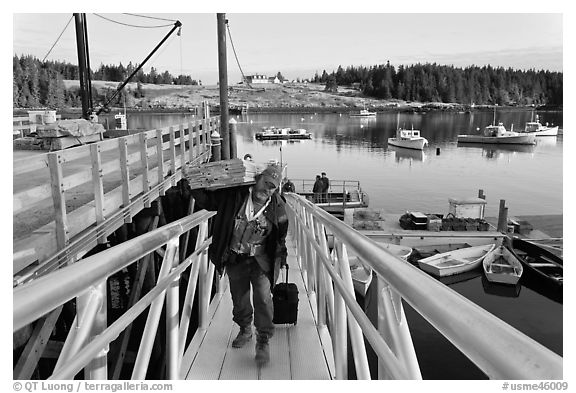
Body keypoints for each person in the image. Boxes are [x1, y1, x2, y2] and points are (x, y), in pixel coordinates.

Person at [190, 163, 288, 366]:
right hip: (236, 258)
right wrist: (192, 183)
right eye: (266, 183)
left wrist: (282, 256)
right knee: (239, 298)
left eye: (272, 187)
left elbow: (281, 233)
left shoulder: (277, 205)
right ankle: (245, 329)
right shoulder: (235, 196)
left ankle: (263, 339)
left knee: (262, 298)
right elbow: (208, 201)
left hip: (261, 261)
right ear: (258, 178)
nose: (267, 190)